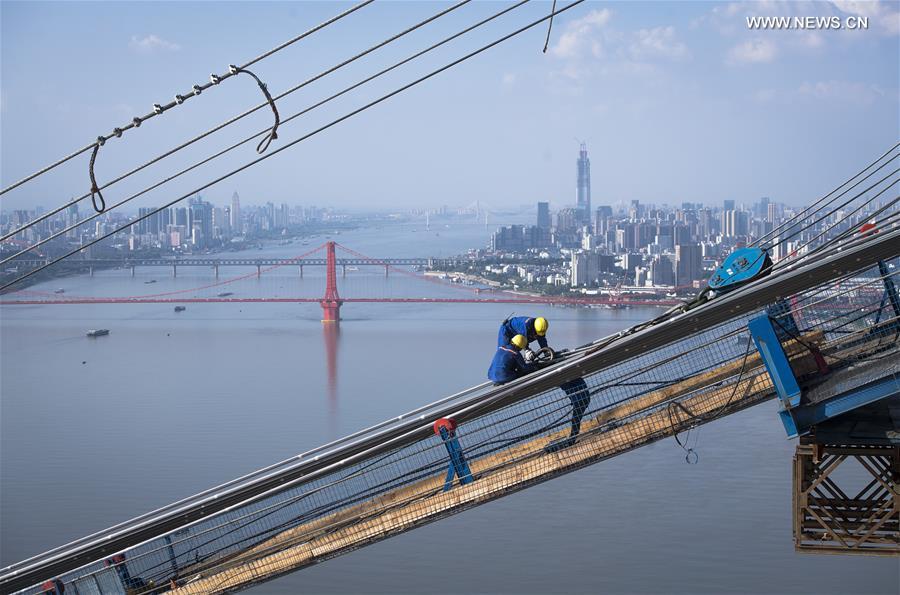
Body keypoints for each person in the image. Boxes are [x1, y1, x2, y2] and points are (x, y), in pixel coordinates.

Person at [545, 377, 592, 453]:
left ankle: (572, 440)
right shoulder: (565, 382)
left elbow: (572, 390)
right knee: (575, 420)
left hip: (581, 400)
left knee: (575, 420)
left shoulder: (564, 382)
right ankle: (572, 440)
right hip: (580, 400)